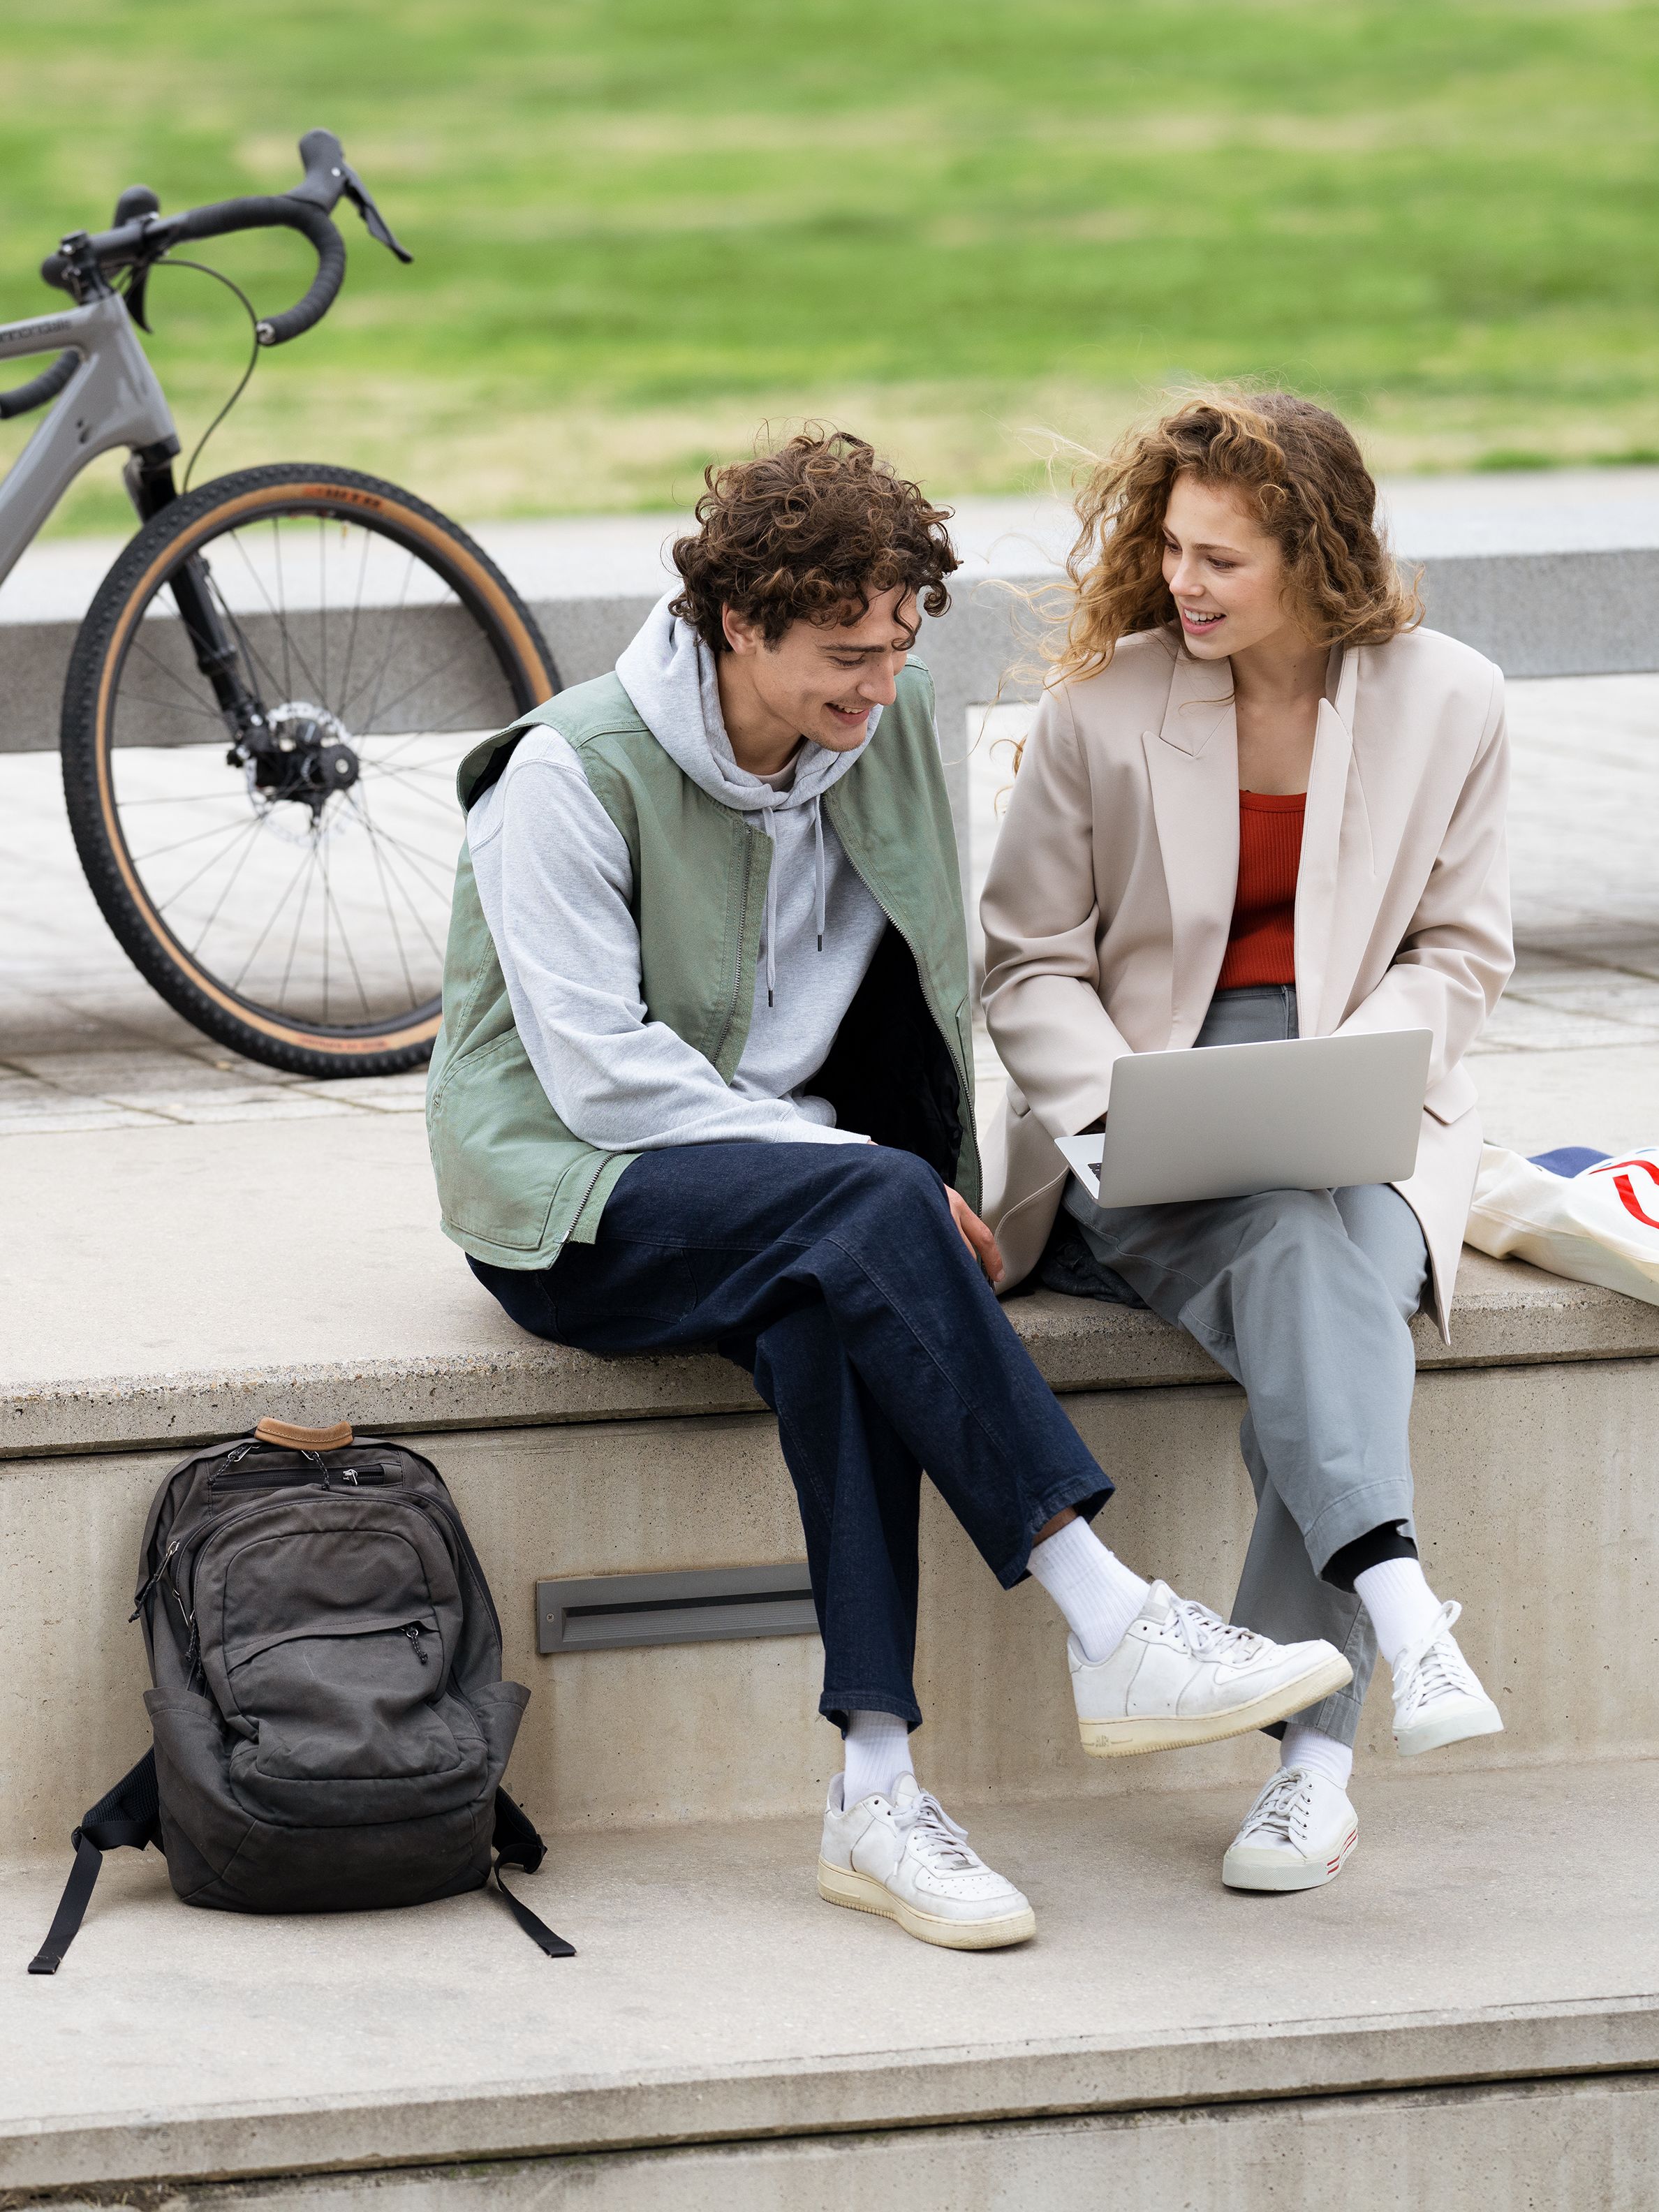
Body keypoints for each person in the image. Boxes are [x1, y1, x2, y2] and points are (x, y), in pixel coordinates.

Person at [428, 428, 1349, 1949]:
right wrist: (872, 1178)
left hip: (807, 1211)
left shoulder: (891, 720)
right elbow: (596, 1082)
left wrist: (942, 1177)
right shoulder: (567, 776)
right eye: (844, 655)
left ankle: (876, 1785)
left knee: (833, 1308)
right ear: (738, 625)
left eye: (900, 643)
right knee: (861, 1218)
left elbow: (935, 966)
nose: (879, 683)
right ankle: (1110, 1616)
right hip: (578, 1206)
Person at [980, 392, 1513, 1896]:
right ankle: (1376, 1661)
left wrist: (1357, 1067)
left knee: (1328, 1243)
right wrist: (1108, 1104)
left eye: (1225, 559)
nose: (1185, 585)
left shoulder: (1451, 699)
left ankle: (1322, 1755)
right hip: (1143, 1109)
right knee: (1304, 1247)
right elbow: (1025, 964)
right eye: (1172, 550)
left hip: (1371, 1107)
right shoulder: (1103, 711)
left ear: (1322, 557)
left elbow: (1462, 951)